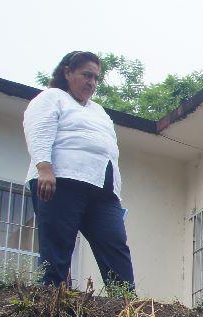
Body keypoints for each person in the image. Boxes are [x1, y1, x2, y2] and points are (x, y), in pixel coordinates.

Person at [23, 51, 135, 290]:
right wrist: (44, 167)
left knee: (114, 243)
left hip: (102, 189)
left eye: (95, 78)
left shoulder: (99, 112)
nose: (91, 82)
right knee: (58, 244)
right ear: (67, 72)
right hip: (62, 180)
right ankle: (51, 297)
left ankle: (127, 303)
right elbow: (39, 130)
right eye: (86, 75)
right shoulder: (52, 97)